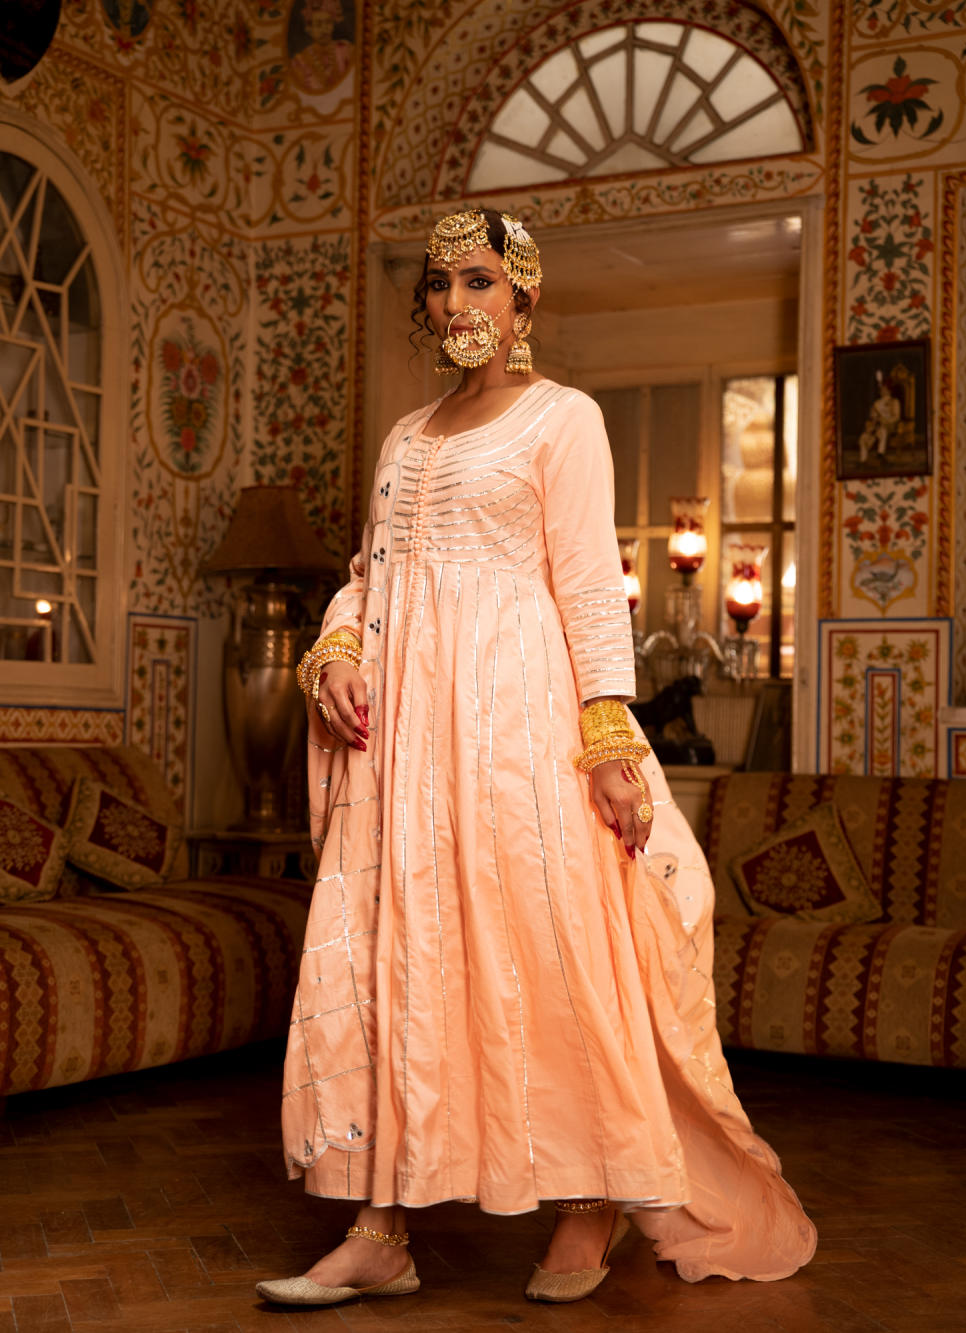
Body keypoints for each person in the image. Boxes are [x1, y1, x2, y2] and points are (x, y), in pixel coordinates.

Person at [256, 208, 817, 1309]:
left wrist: (607, 741)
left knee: (548, 951)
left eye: (479, 280)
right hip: (408, 745)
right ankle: (379, 1227)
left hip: (521, 733)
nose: (456, 302)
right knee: (400, 955)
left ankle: (590, 1195)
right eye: (438, 284)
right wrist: (336, 652)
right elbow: (372, 576)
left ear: (523, 298)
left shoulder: (565, 419)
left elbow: (590, 589)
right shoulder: (404, 436)